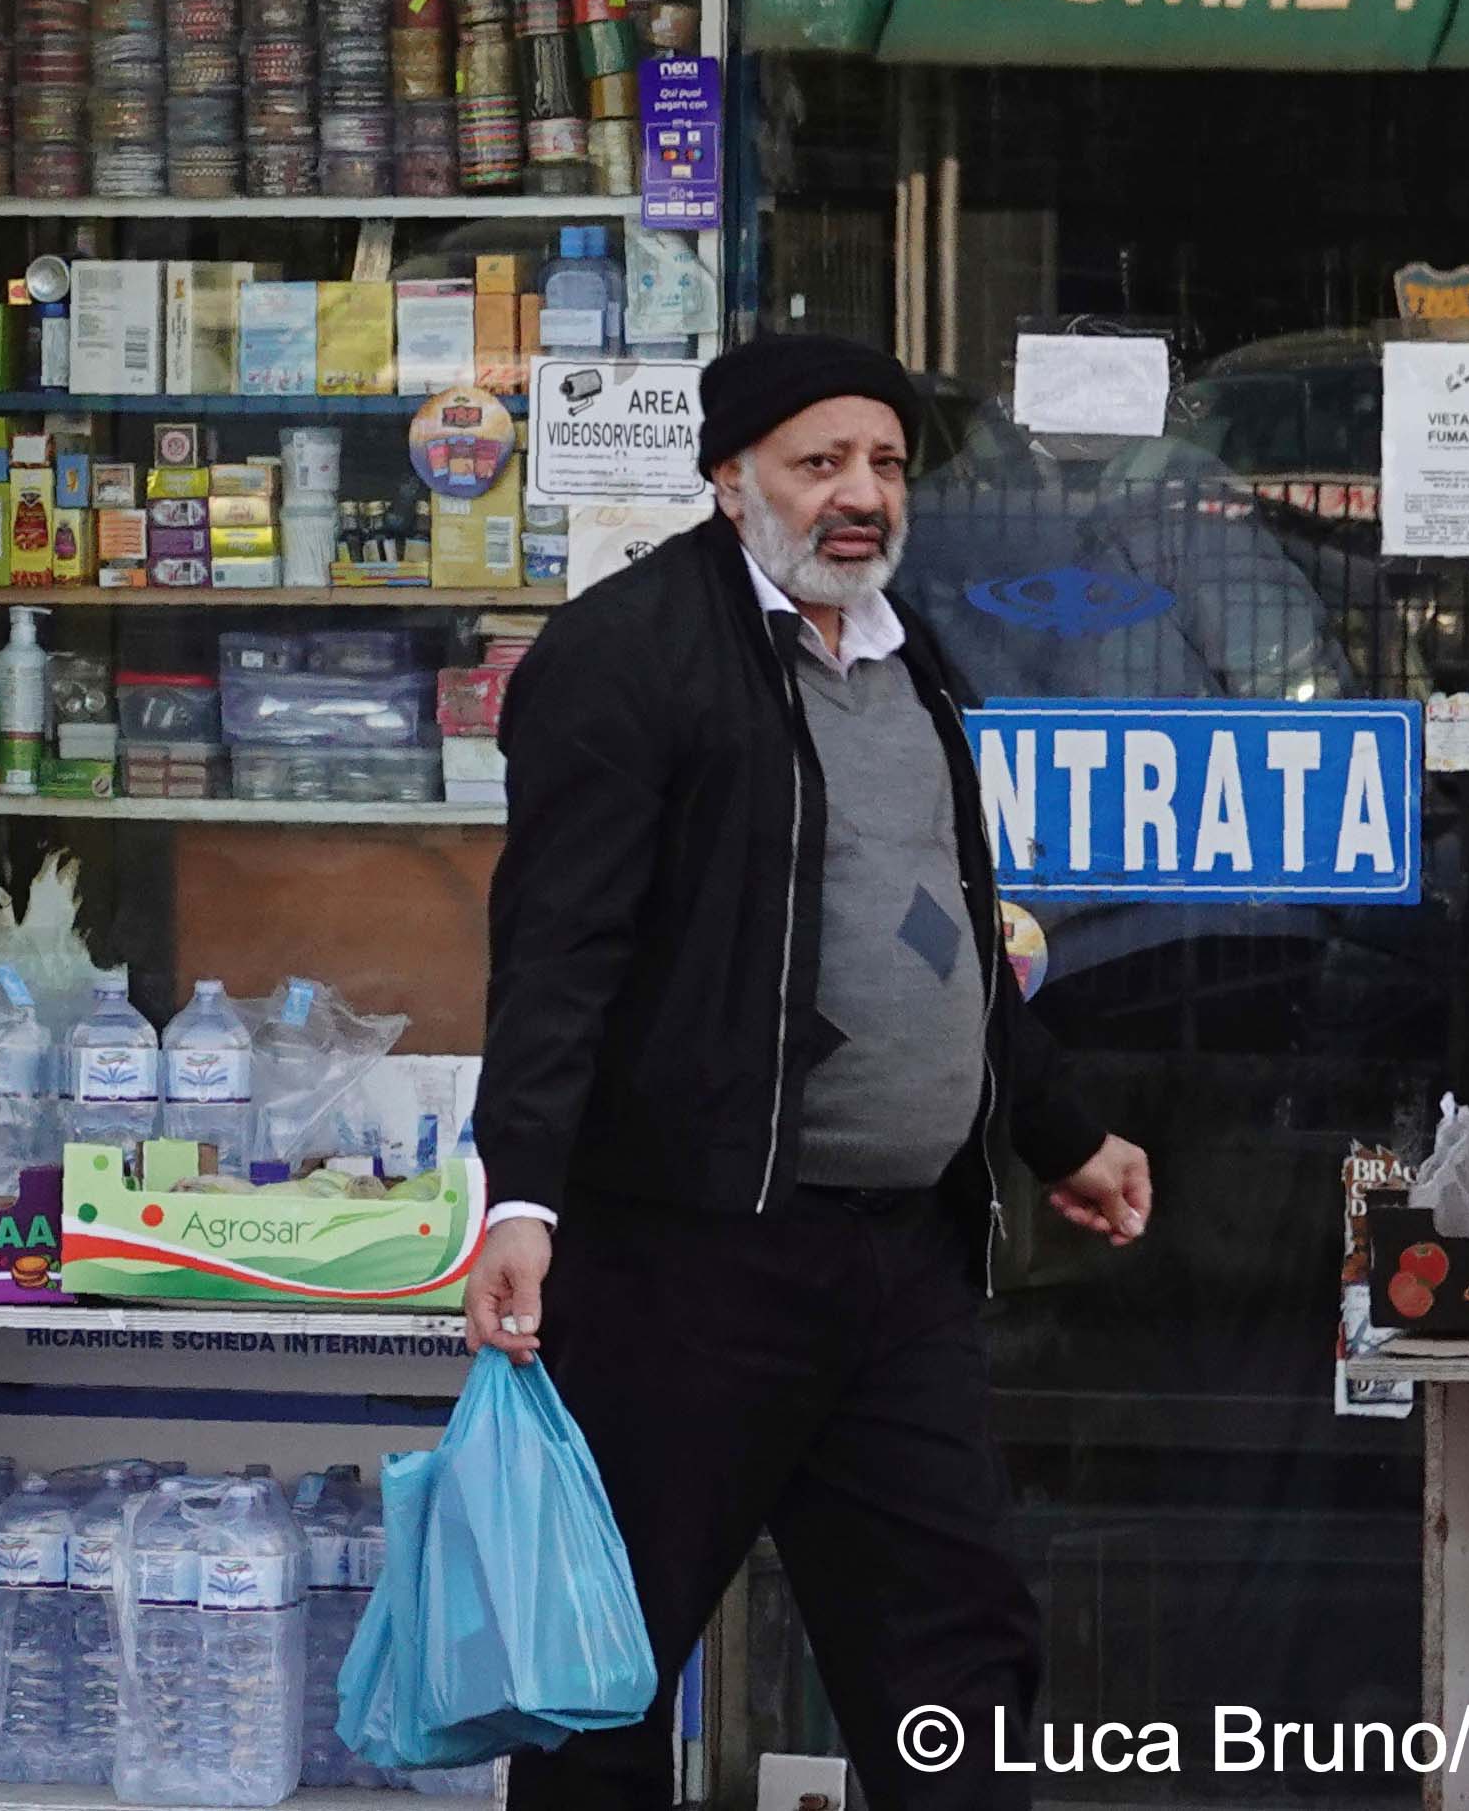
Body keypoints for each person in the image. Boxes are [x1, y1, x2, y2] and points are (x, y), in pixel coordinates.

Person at [464, 334, 1154, 1811]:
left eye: (887, 464)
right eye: (819, 462)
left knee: (956, 1664)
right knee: (605, 1677)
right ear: (729, 479)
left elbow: (945, 942)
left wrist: (1058, 1130)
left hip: (896, 1271)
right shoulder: (626, 658)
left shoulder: (912, 662)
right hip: (686, 1267)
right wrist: (518, 1198)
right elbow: (555, 956)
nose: (862, 496)